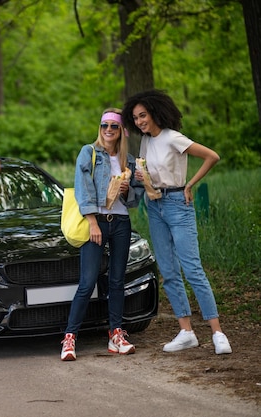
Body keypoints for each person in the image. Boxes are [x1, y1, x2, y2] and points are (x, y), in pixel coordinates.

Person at [121, 90, 232, 355]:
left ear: (155, 112)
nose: (139, 122)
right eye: (135, 118)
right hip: (154, 206)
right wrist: (138, 176)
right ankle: (186, 332)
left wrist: (190, 184)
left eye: (143, 115)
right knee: (169, 271)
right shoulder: (146, 142)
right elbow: (148, 172)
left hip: (177, 205)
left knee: (192, 269)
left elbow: (212, 156)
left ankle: (217, 332)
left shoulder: (173, 137)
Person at [60, 108, 139, 361]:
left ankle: (116, 334)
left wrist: (126, 190)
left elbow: (135, 200)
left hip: (121, 223)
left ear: (121, 132)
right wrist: (92, 221)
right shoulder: (90, 152)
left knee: (117, 281)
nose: (108, 130)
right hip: (97, 223)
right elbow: (83, 189)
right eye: (104, 125)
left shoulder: (130, 161)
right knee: (88, 282)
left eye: (113, 127)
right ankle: (70, 338)